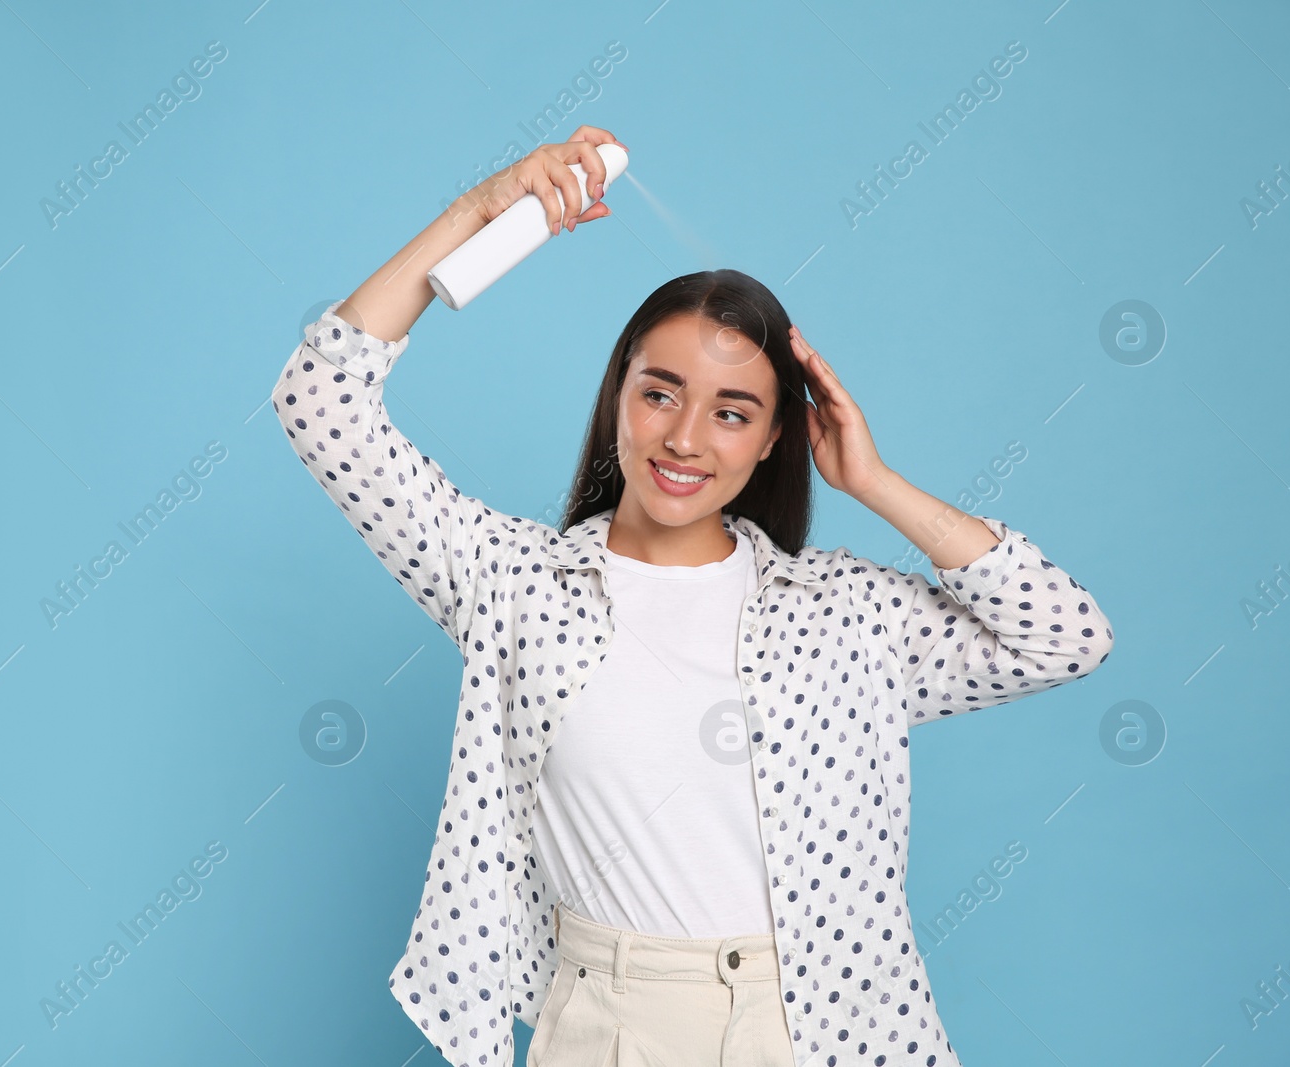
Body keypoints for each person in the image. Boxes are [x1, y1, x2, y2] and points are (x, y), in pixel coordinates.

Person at [270, 125, 1114, 1067]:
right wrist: (481, 212)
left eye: (732, 412)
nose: (684, 439)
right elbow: (320, 399)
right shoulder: (512, 583)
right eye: (660, 393)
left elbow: (1065, 635)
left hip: (822, 1030)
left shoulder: (843, 612)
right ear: (618, 395)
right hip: (612, 1024)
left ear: (774, 440)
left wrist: (873, 481)